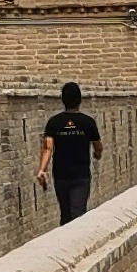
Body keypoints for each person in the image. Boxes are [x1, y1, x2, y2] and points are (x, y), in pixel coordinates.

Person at [38, 82, 101, 224]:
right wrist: (98, 154)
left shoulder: (54, 122)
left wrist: (42, 169)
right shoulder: (88, 122)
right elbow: (98, 145)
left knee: (65, 215)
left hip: (61, 176)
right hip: (81, 176)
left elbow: (47, 147)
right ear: (80, 100)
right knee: (78, 214)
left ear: (63, 100)